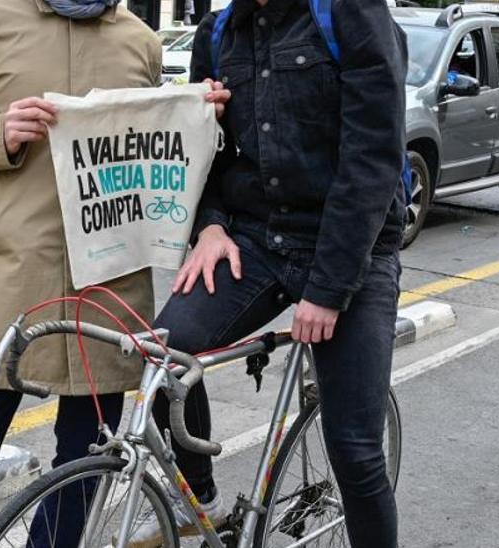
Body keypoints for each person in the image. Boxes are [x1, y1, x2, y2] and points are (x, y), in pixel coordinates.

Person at [0, 0, 230, 545]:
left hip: (108, 288)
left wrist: (197, 118)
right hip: (7, 285)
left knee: (84, 471)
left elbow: (155, 148)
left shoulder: (140, 40)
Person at [130, 0, 407, 547]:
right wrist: (209, 225)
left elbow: (372, 158)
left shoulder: (349, 13)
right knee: (165, 354)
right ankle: (198, 496)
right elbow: (204, 143)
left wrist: (327, 291)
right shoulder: (217, 32)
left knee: (354, 449)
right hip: (256, 238)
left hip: (353, 248)